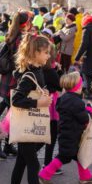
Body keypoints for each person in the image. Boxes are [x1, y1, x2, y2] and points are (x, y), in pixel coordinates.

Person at [38, 72, 92, 184]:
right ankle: (44, 175)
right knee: (64, 157)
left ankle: (85, 176)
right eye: (81, 85)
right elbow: (85, 118)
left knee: (78, 156)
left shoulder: (64, 98)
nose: (82, 87)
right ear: (76, 87)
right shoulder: (77, 102)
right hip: (71, 135)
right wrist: (89, 109)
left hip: (67, 133)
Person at [10, 34, 52, 184]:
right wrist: (38, 102)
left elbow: (35, 89)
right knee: (33, 164)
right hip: (27, 124)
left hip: (29, 123)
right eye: (46, 52)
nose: (49, 56)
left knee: (21, 162)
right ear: (36, 53)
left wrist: (43, 91)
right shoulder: (30, 74)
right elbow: (16, 99)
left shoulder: (37, 70)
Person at [0, 11, 31, 159]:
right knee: (12, 114)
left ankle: (8, 145)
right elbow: (20, 61)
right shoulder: (21, 38)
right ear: (25, 23)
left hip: (8, 79)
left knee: (10, 111)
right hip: (14, 80)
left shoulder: (11, 34)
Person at [41, 45, 62, 174]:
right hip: (51, 105)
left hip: (43, 103)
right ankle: (47, 163)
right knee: (52, 135)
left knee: (45, 133)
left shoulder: (40, 69)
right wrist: (58, 72)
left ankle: (44, 161)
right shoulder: (51, 72)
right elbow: (59, 86)